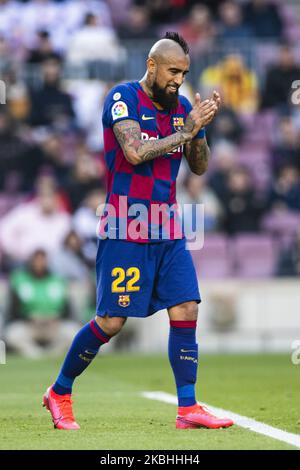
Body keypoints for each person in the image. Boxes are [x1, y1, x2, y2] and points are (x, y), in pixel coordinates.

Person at [43, 32, 234, 431]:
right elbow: (133, 152)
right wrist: (184, 131)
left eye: (183, 72)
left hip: (167, 226)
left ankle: (188, 408)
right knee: (111, 321)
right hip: (124, 223)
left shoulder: (182, 107)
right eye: (172, 71)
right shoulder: (123, 97)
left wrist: (197, 129)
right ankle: (59, 391)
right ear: (152, 65)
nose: (178, 80)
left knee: (186, 308)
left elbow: (198, 166)